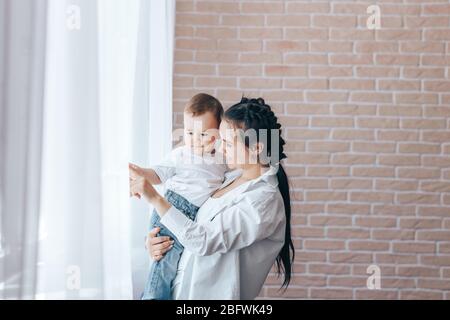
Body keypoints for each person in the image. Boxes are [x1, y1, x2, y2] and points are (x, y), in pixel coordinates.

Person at [130, 97, 295, 299]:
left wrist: (155, 198)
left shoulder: (262, 201)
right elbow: (189, 224)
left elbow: (203, 241)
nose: (220, 148)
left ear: (256, 148)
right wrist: (158, 242)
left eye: (227, 142)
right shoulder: (228, 177)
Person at [129, 93, 227, 300]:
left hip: (189, 219)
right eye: (190, 132)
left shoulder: (223, 159)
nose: (195, 140)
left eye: (204, 134)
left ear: (218, 132)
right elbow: (157, 174)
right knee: (163, 266)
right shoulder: (181, 154)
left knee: (174, 269)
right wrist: (141, 172)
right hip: (172, 208)